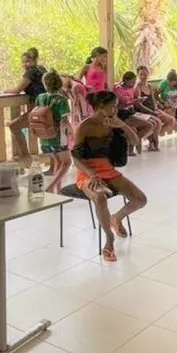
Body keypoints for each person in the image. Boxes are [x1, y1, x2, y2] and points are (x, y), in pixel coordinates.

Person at [70, 91, 147, 263]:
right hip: (88, 170)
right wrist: (91, 174)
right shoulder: (85, 126)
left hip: (107, 168)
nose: (116, 109)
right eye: (113, 106)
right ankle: (109, 239)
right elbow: (75, 157)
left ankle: (116, 218)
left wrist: (122, 126)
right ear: (102, 108)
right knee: (100, 197)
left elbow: (135, 141)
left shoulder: (114, 123)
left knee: (140, 199)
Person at [5, 48, 47, 163]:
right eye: (23, 62)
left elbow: (17, 89)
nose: (25, 64)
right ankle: (49, 158)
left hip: (37, 109)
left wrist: (6, 91)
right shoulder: (42, 69)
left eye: (28, 61)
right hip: (45, 108)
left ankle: (25, 155)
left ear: (35, 60)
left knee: (14, 126)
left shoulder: (31, 72)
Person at [34, 71, 72, 193]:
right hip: (58, 137)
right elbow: (64, 120)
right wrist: (72, 131)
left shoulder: (40, 97)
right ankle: (51, 187)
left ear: (45, 84)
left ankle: (58, 189)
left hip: (44, 137)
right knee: (66, 163)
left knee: (57, 162)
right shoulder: (62, 100)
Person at [114, 71, 153, 155]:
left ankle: (133, 142)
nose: (134, 83)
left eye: (134, 81)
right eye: (132, 81)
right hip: (123, 113)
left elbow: (131, 102)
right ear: (126, 80)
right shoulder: (118, 89)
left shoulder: (131, 89)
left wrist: (137, 101)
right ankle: (134, 142)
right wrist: (134, 102)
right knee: (148, 125)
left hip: (131, 112)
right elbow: (122, 103)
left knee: (151, 124)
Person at [134, 65, 174, 143]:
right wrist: (152, 112)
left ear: (148, 74)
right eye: (141, 74)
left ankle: (152, 137)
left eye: (145, 74)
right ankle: (154, 141)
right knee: (158, 122)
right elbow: (139, 105)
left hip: (153, 109)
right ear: (138, 75)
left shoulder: (149, 85)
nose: (143, 76)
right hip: (144, 111)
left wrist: (156, 108)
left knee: (171, 120)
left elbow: (153, 99)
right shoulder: (137, 87)